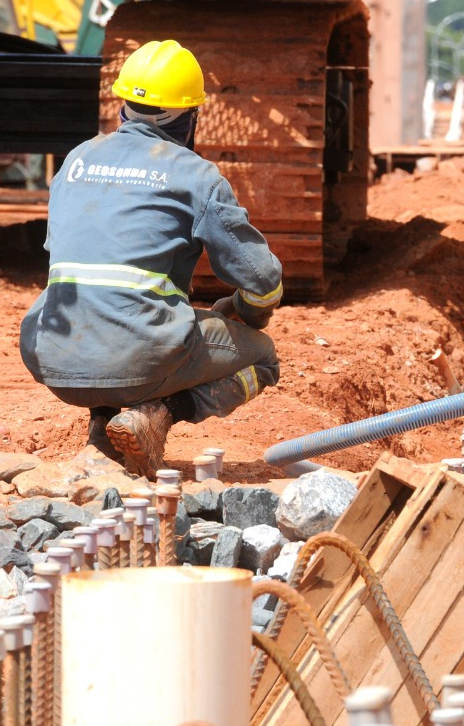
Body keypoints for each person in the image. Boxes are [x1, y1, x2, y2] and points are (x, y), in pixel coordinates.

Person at [20, 39, 283, 478]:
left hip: (51, 355)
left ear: (123, 106)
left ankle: (103, 429)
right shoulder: (196, 176)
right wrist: (244, 313)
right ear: (191, 117)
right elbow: (263, 280)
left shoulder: (76, 160)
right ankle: (158, 415)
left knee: (104, 300)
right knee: (263, 359)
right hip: (139, 357)